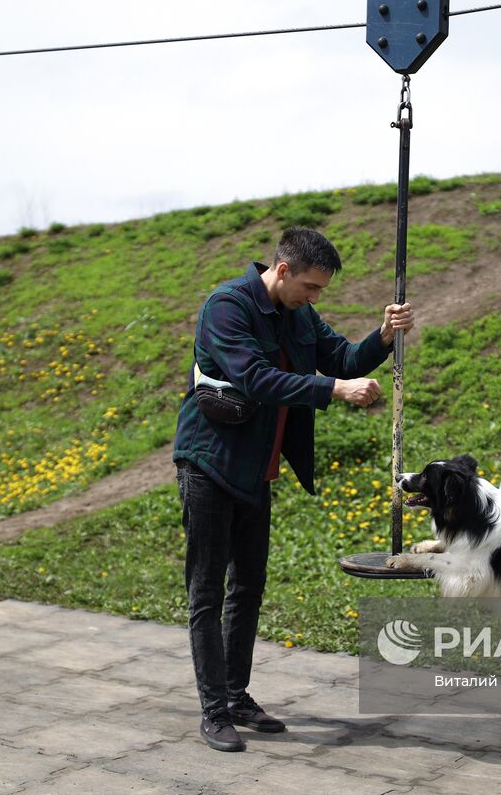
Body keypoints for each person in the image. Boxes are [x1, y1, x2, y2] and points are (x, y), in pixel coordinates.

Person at [173, 227, 414, 752]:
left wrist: (385, 335)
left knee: (248, 587)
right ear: (282, 271)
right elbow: (254, 378)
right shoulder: (226, 307)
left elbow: (345, 360)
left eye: (320, 290)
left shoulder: (298, 314)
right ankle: (214, 711)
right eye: (310, 286)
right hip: (208, 465)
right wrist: (333, 390)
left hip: (255, 470)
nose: (314, 298)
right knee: (207, 591)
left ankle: (236, 695)